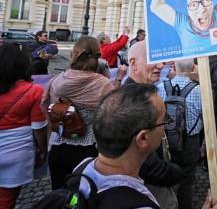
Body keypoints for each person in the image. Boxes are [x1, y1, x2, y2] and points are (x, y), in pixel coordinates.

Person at [78, 84, 217, 209]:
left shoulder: (82, 168)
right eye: (164, 120)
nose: (166, 126)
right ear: (143, 138)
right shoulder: (140, 206)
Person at [41, 36, 114, 190]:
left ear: (72, 54)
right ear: (98, 55)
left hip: (58, 146)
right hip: (88, 151)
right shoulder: (102, 84)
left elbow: (48, 111)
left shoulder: (56, 80)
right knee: (83, 198)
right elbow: (114, 116)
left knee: (60, 195)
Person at [124, 41, 182, 209]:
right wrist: (174, 173)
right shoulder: (131, 101)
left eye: (160, 59)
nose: (160, 65)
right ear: (133, 64)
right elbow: (143, 162)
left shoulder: (144, 93)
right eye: (152, 59)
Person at [0, 43, 47, 209]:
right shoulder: (34, 91)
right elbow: (39, 127)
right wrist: (43, 151)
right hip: (15, 153)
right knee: (5, 202)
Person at [159, 58, 202, 209]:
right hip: (190, 142)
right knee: (186, 181)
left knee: (164, 177)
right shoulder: (199, 90)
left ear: (174, 67)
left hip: (164, 141)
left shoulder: (160, 87)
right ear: (192, 68)